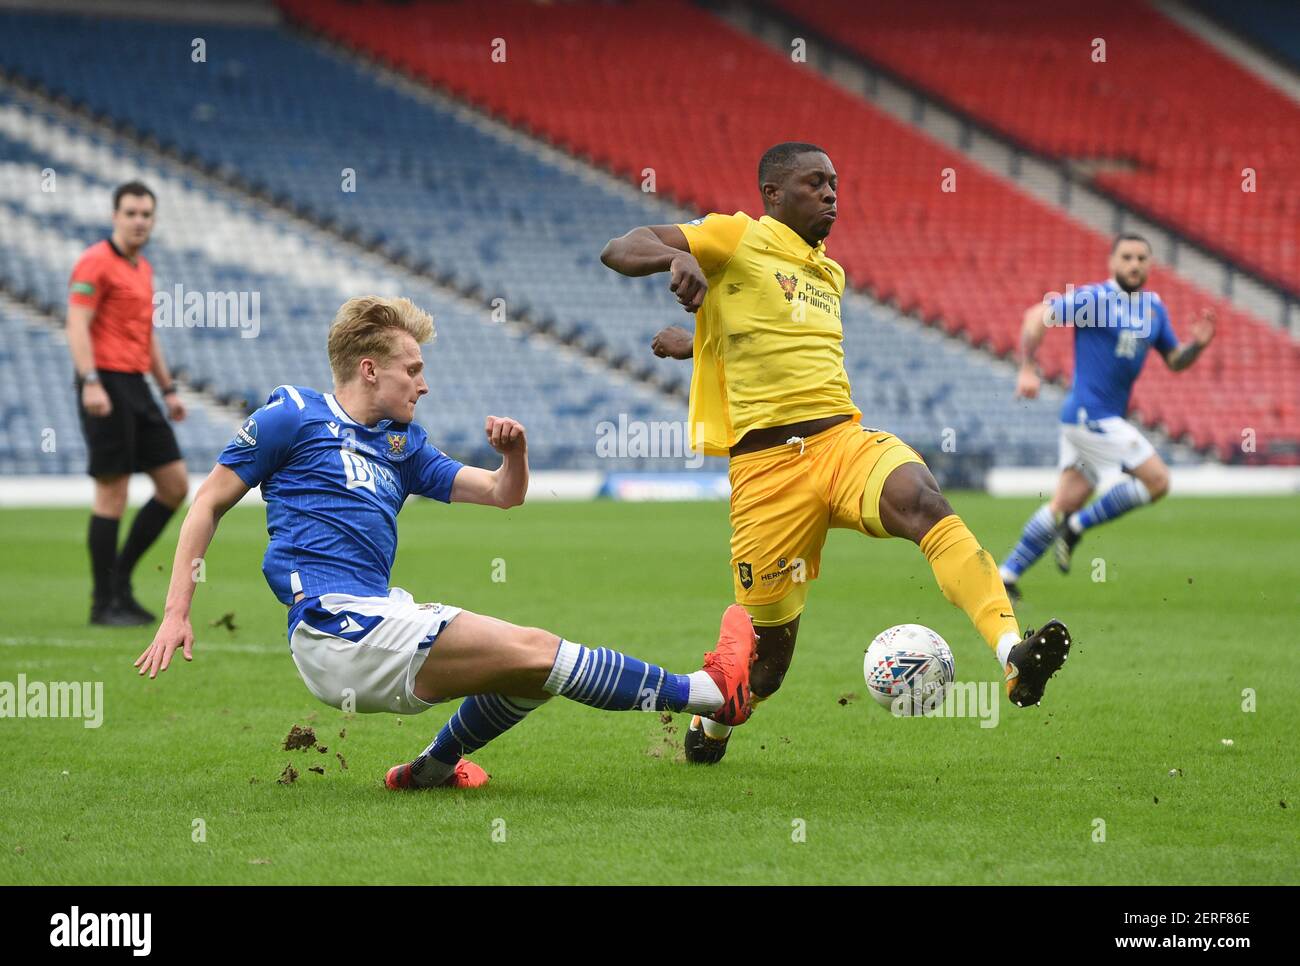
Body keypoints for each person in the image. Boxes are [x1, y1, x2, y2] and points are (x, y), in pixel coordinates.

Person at [133, 296, 756, 788]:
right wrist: (176, 613)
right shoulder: (292, 416)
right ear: (370, 369)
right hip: (334, 627)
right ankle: (707, 693)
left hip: (377, 617)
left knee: (530, 674)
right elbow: (208, 501)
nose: (423, 384)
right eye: (414, 369)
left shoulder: (402, 446)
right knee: (539, 649)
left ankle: (433, 768)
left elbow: (501, 493)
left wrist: (514, 456)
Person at [601, 142, 1070, 766]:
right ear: (773, 194)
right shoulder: (735, 236)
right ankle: (712, 726)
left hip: (840, 441)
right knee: (766, 671)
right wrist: (673, 259)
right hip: (767, 473)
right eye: (814, 183)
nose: (830, 194)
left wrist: (700, 344)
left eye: (835, 184)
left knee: (923, 502)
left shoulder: (829, 273)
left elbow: (767, 335)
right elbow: (620, 246)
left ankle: (1011, 655)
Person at [1000, 234, 1216, 598]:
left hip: (1091, 420)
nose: (1134, 264)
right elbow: (1035, 315)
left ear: (1150, 264)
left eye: (1141, 258)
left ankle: (1007, 575)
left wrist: (1197, 346)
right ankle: (1078, 526)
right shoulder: (1096, 299)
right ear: (1112, 263)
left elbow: (1175, 361)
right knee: (1158, 481)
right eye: (1127, 257)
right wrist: (1027, 368)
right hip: (1090, 416)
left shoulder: (1153, 309)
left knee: (1062, 503)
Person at [68, 180, 188, 626]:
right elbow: (76, 323)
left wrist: (168, 389)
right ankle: (104, 603)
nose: (139, 220)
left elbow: (147, 333)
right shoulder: (95, 261)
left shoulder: (143, 268)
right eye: (131, 213)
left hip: (137, 385)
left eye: (146, 214)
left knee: (175, 486)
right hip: (105, 383)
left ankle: (120, 582)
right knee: (113, 492)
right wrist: (90, 381)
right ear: (115, 216)